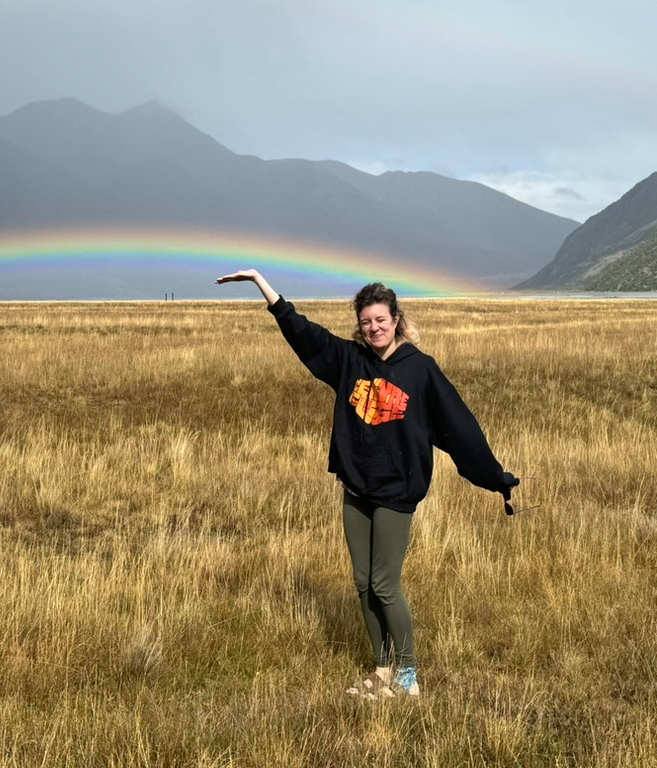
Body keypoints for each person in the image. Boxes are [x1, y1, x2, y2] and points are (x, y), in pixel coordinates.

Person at [215, 269, 519, 698]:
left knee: (384, 584)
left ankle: (408, 678)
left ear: (395, 318)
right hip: (356, 489)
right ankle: (381, 670)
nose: (373, 328)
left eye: (380, 319)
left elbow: (461, 428)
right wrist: (261, 283)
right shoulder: (349, 362)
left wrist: (496, 478)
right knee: (362, 582)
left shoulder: (420, 369)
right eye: (365, 322)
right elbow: (302, 332)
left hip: (397, 492)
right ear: (359, 326)